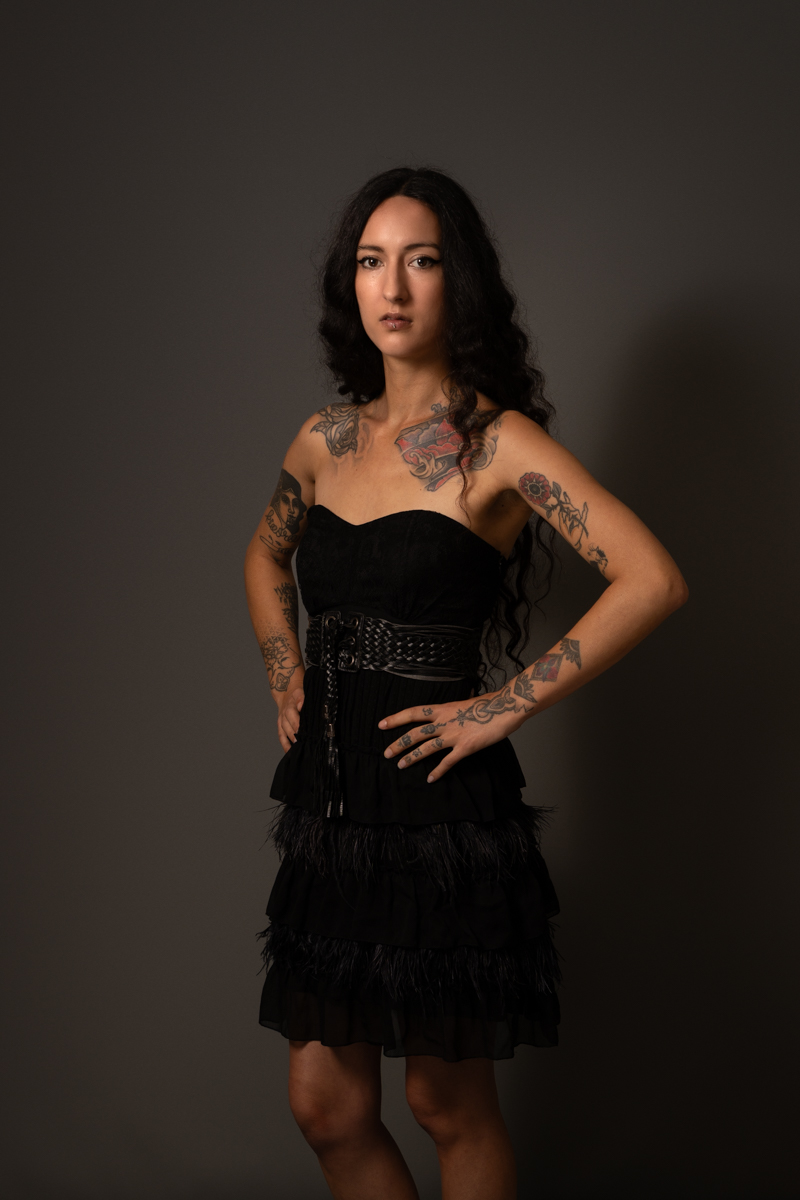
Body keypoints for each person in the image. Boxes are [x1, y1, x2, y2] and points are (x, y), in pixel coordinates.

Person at [244, 166, 688, 1200]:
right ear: (350, 285)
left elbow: (652, 579)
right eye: (371, 261)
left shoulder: (496, 444)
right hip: (332, 809)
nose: (392, 286)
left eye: (422, 260)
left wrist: (503, 706)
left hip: (441, 810)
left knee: (447, 1104)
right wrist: (284, 674)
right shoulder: (324, 441)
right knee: (326, 1106)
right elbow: (264, 559)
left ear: (461, 282)